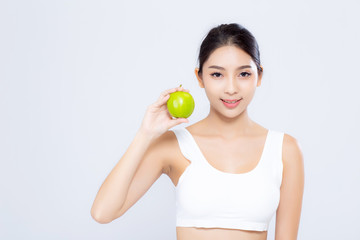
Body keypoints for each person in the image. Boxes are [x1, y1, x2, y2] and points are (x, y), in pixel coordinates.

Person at [91, 23, 305, 240]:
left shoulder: (284, 149)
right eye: (217, 75)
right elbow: (102, 213)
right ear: (200, 77)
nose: (231, 88)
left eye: (243, 74)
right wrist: (145, 134)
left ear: (258, 76)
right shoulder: (174, 145)